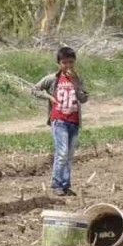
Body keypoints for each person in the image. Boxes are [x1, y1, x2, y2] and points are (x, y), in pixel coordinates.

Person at [31, 46, 89, 197]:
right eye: (65, 62)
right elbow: (35, 89)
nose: (68, 65)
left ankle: (65, 184)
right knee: (62, 153)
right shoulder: (53, 78)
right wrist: (49, 97)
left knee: (69, 155)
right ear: (59, 63)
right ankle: (57, 183)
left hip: (74, 121)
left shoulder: (77, 78)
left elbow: (84, 98)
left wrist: (77, 84)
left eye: (71, 62)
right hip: (59, 120)